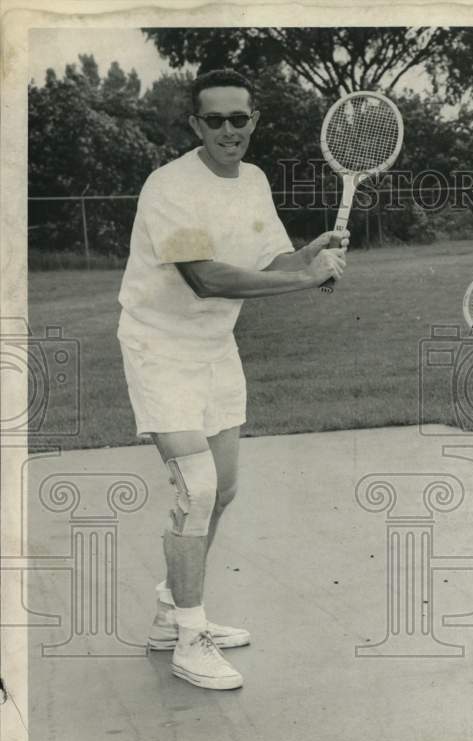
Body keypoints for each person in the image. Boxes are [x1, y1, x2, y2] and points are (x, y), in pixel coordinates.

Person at [117, 69, 349, 690]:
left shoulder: (253, 182)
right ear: (196, 125)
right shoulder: (170, 186)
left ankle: (173, 615)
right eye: (213, 119)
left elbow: (268, 261)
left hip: (216, 347)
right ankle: (191, 641)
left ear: (253, 122)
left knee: (220, 491)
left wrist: (308, 257)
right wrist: (303, 280)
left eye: (238, 118)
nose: (227, 130)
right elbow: (207, 278)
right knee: (194, 489)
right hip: (159, 347)